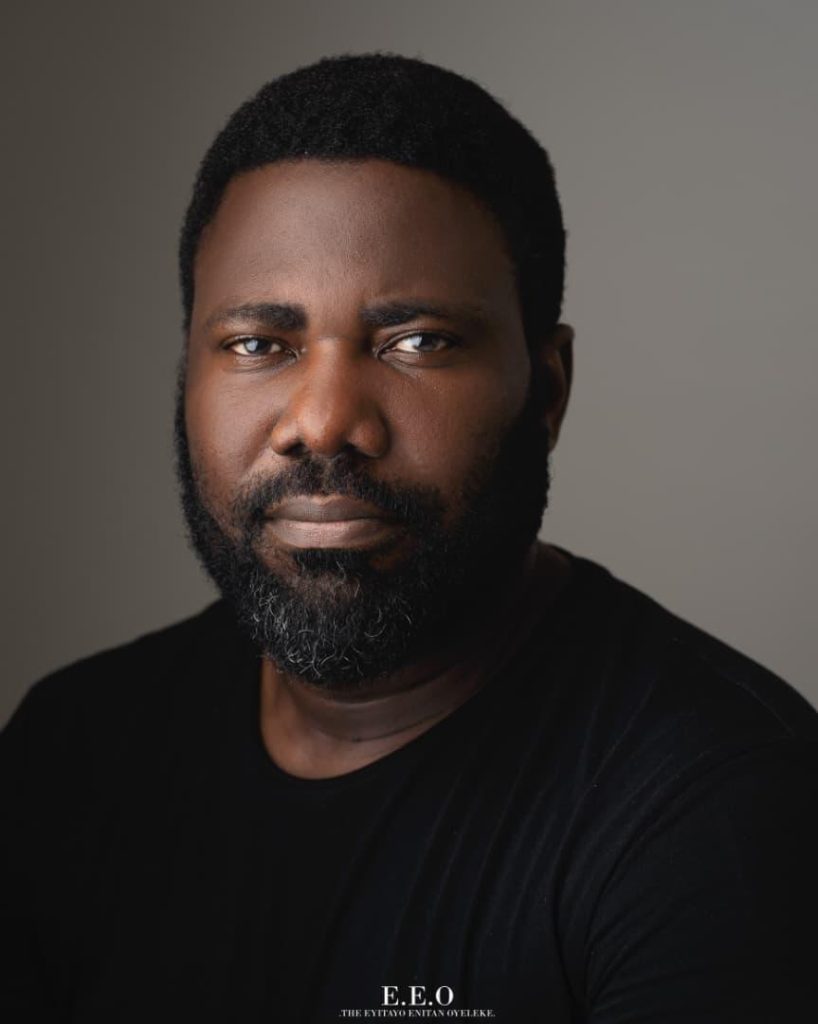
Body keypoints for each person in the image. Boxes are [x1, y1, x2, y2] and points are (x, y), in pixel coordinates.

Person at [1, 53, 816, 1024]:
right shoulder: (70, 750)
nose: (323, 422)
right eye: (258, 344)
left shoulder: (716, 808)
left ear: (546, 391)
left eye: (417, 341)